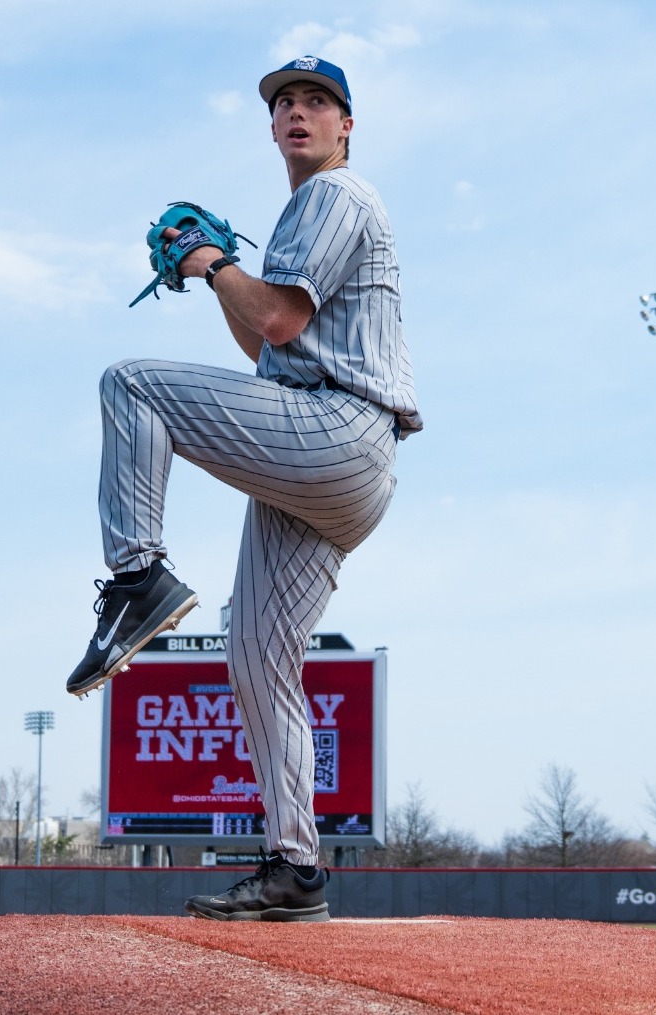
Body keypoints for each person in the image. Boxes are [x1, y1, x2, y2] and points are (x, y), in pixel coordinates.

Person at [66, 55, 420, 922]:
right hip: (326, 461)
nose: (299, 112)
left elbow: (275, 318)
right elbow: (266, 348)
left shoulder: (337, 195)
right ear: (271, 127)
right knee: (259, 659)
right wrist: (213, 271)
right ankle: (294, 868)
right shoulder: (304, 213)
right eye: (285, 103)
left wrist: (208, 259)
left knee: (132, 384)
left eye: (318, 102)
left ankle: (137, 573)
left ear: (346, 125)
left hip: (339, 431)